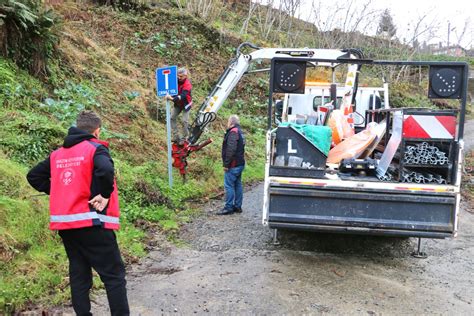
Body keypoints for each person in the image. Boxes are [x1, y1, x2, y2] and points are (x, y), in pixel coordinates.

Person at [26, 111, 129, 316]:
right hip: (92, 222)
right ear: (96, 130)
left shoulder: (57, 154)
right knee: (113, 275)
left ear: (77, 127)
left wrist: (58, 190)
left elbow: (33, 176)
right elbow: (106, 170)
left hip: (66, 226)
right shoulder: (96, 149)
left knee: (79, 274)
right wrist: (104, 194)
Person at [218, 115, 246, 215]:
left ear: (231, 122)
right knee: (238, 184)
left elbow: (231, 149)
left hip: (233, 164)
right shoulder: (240, 132)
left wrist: (226, 164)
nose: (227, 123)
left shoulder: (233, 132)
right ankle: (237, 206)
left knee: (229, 185)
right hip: (240, 163)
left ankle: (228, 207)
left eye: (228, 121)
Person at [165, 67, 193, 143]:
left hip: (186, 104)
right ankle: (176, 136)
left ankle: (185, 138)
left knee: (184, 121)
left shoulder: (187, 84)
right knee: (171, 118)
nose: (179, 78)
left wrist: (171, 98)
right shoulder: (175, 81)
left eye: (181, 76)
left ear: (185, 76)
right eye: (178, 76)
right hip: (178, 104)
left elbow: (183, 96)